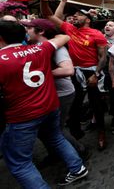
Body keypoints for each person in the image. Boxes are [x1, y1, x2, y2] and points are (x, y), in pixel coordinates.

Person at [0, 20, 88, 187]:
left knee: (20, 163)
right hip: (49, 107)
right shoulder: (41, 48)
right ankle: (77, 168)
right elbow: (63, 36)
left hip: (22, 116)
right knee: (55, 137)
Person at [41, 0, 108, 150]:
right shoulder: (70, 29)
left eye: (79, 15)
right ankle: (76, 132)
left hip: (91, 72)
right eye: (75, 15)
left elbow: (103, 57)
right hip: (74, 72)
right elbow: (50, 16)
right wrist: (58, 1)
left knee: (96, 104)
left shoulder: (96, 34)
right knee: (75, 104)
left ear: (88, 19)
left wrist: (96, 75)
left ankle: (101, 133)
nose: (75, 17)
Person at [22, 18, 89, 163]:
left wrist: (38, 73)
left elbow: (68, 69)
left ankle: (79, 151)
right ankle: (56, 153)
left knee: (56, 129)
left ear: (41, 31)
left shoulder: (57, 48)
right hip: (50, 93)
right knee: (46, 129)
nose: (26, 31)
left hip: (63, 94)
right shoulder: (35, 46)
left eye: (29, 28)